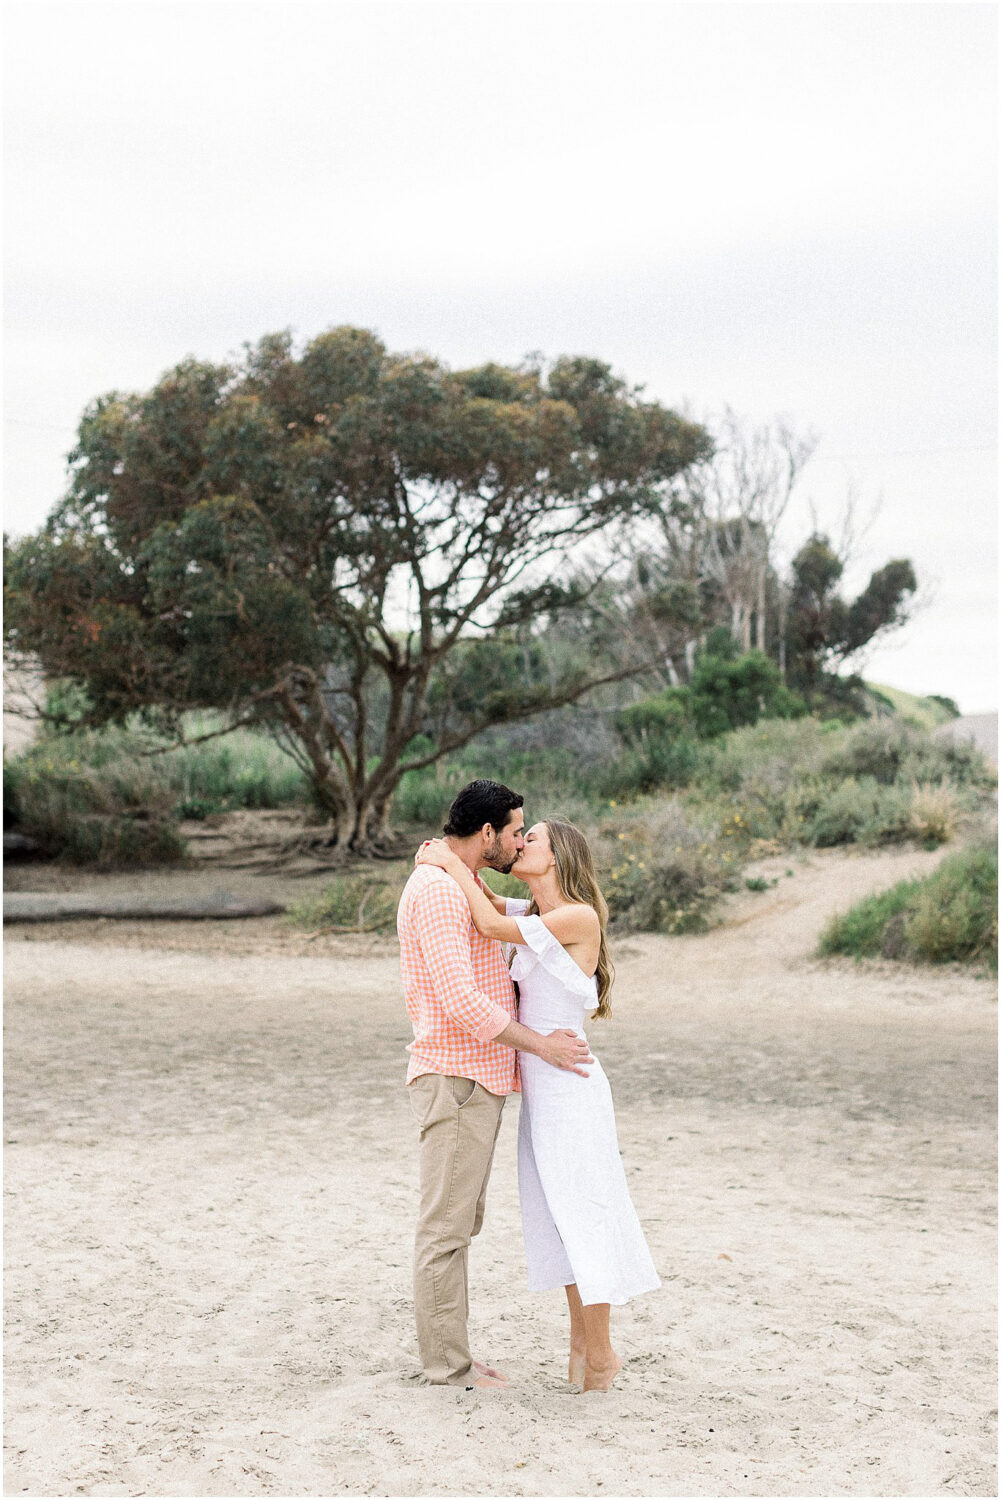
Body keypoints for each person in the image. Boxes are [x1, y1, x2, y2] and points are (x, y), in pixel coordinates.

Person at [416, 816, 661, 1392]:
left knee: (582, 1217)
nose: (520, 842)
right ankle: (583, 1349)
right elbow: (490, 901)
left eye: (533, 839)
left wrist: (448, 862)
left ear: (556, 858)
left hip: (570, 1089)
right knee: (559, 1222)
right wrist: (450, 855)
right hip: (544, 1092)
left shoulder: (575, 917)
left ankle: (600, 1354)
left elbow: (484, 919)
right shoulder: (535, 915)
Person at [397, 780, 594, 1390]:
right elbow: (461, 1001)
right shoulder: (435, 889)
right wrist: (541, 1046)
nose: (517, 841)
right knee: (446, 1228)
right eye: (514, 831)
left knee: (461, 1222)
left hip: (475, 1080)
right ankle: (448, 1367)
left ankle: (453, 1354)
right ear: (487, 834)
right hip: (455, 1077)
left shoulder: (465, 883)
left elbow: (511, 919)